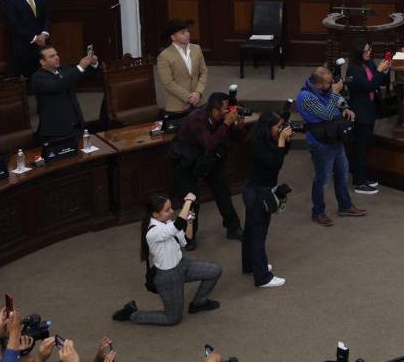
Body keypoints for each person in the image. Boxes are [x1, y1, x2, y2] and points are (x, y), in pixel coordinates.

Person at [113, 192, 223, 325]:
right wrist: (188, 201)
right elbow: (177, 225)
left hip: (182, 265)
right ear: (155, 214)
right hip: (168, 277)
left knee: (215, 271)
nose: (171, 212)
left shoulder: (168, 222)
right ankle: (132, 313)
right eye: (167, 210)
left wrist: (189, 222)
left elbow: (186, 240)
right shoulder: (153, 233)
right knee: (172, 319)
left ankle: (198, 303)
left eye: (171, 208)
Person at [171, 92, 243, 248]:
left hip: (207, 161)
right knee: (191, 201)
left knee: (223, 192)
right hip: (186, 162)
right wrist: (226, 124)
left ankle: (233, 228)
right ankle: (188, 236)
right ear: (215, 110)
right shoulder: (197, 119)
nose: (228, 111)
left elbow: (236, 139)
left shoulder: (222, 118)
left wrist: (237, 124)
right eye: (226, 108)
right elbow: (209, 144)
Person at [296, 66, 366, 225]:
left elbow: (338, 102)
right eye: (329, 83)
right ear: (318, 84)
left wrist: (345, 108)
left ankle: (345, 206)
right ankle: (318, 212)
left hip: (335, 138)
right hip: (320, 144)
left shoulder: (324, 89)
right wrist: (335, 92)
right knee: (323, 179)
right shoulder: (306, 97)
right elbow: (327, 115)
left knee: (342, 173)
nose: (332, 84)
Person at [242, 111, 291, 288]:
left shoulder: (264, 139)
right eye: (278, 127)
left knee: (250, 231)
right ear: (267, 127)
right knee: (258, 235)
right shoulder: (257, 145)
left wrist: (284, 139)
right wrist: (281, 140)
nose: (280, 129)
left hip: (256, 188)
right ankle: (262, 277)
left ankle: (250, 265)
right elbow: (275, 164)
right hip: (258, 192)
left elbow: (282, 153)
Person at [346, 37, 390, 195]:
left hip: (371, 110)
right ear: (358, 52)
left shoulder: (369, 63)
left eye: (370, 49)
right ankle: (358, 182)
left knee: (365, 147)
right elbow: (368, 86)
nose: (369, 52)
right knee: (360, 149)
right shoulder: (353, 69)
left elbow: (380, 82)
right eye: (366, 50)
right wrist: (379, 71)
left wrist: (385, 70)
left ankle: (363, 177)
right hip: (360, 113)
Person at [30, 45, 98, 144]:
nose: (57, 57)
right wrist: (80, 67)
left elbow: (83, 75)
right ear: (42, 62)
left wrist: (93, 64)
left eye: (56, 54)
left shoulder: (65, 68)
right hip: (56, 130)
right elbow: (57, 85)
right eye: (52, 56)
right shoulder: (38, 78)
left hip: (76, 125)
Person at [2, 0, 52, 78]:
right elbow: (14, 25)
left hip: (43, 44)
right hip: (24, 46)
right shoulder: (9, 0)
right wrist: (35, 38)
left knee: (47, 76)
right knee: (29, 78)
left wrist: (44, 34)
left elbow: (46, 17)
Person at [156, 19, 209, 113]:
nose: (187, 34)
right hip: (177, 106)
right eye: (182, 33)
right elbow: (168, 83)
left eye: (187, 31)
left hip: (198, 102)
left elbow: (204, 71)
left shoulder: (196, 49)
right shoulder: (164, 56)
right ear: (173, 37)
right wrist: (188, 97)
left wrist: (198, 92)